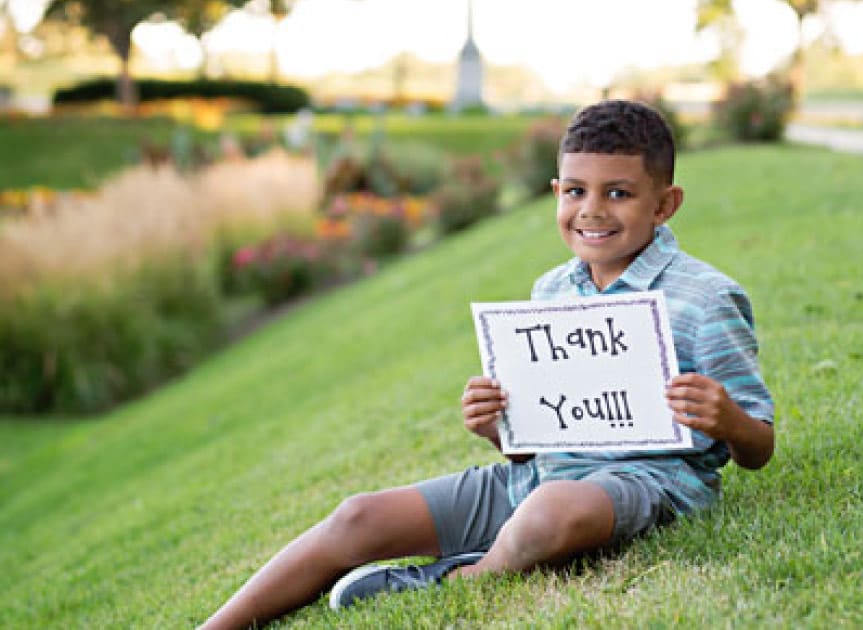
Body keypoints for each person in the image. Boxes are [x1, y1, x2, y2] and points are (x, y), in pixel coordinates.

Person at [200, 100, 774, 629]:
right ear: (555, 192)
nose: (592, 210)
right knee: (358, 517)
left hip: (646, 484)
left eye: (618, 194)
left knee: (550, 513)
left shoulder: (705, 298)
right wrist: (500, 429)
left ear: (664, 203)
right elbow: (533, 444)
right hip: (534, 478)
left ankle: (460, 575)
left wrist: (726, 420)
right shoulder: (550, 291)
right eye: (575, 191)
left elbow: (758, 447)